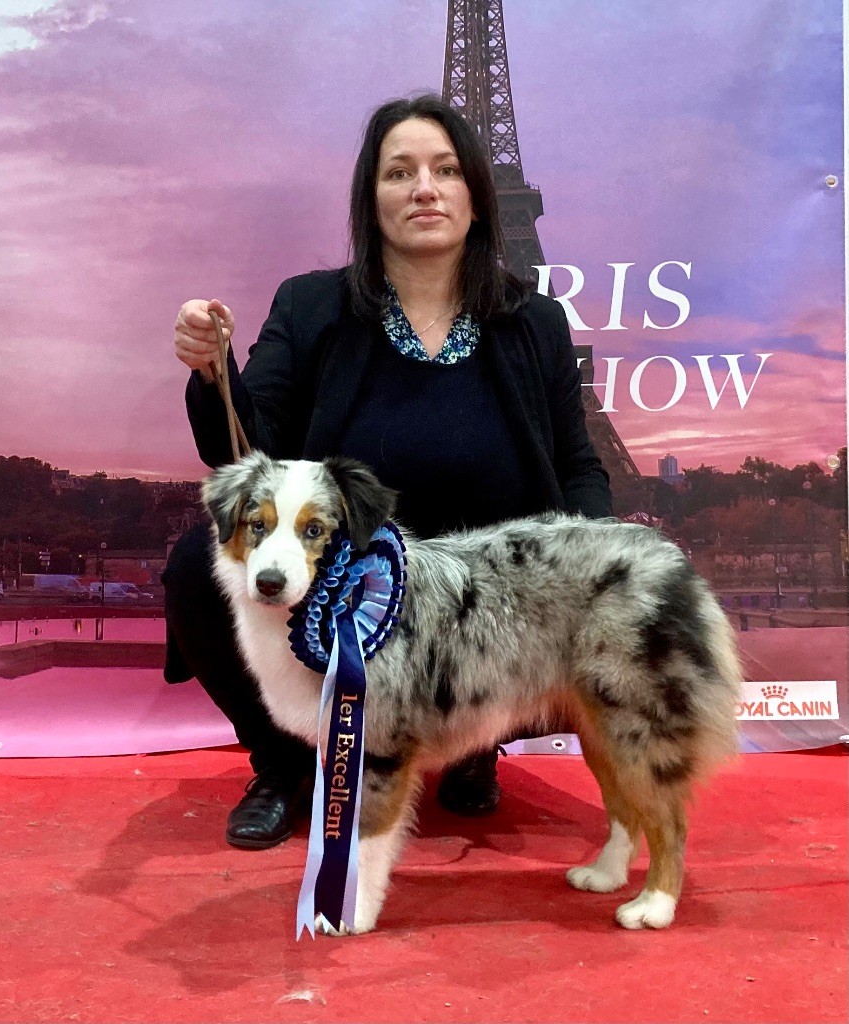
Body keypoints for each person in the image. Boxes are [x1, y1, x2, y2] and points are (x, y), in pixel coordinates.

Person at [165, 93, 612, 851]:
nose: (424, 189)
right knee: (195, 568)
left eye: (445, 170)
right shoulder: (311, 307)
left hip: (484, 587)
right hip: (344, 574)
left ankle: (473, 743)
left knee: (591, 587)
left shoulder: (532, 321)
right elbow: (245, 446)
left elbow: (576, 464)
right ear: (370, 199)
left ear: (479, 194)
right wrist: (214, 372)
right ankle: (283, 763)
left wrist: (604, 560)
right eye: (399, 172)